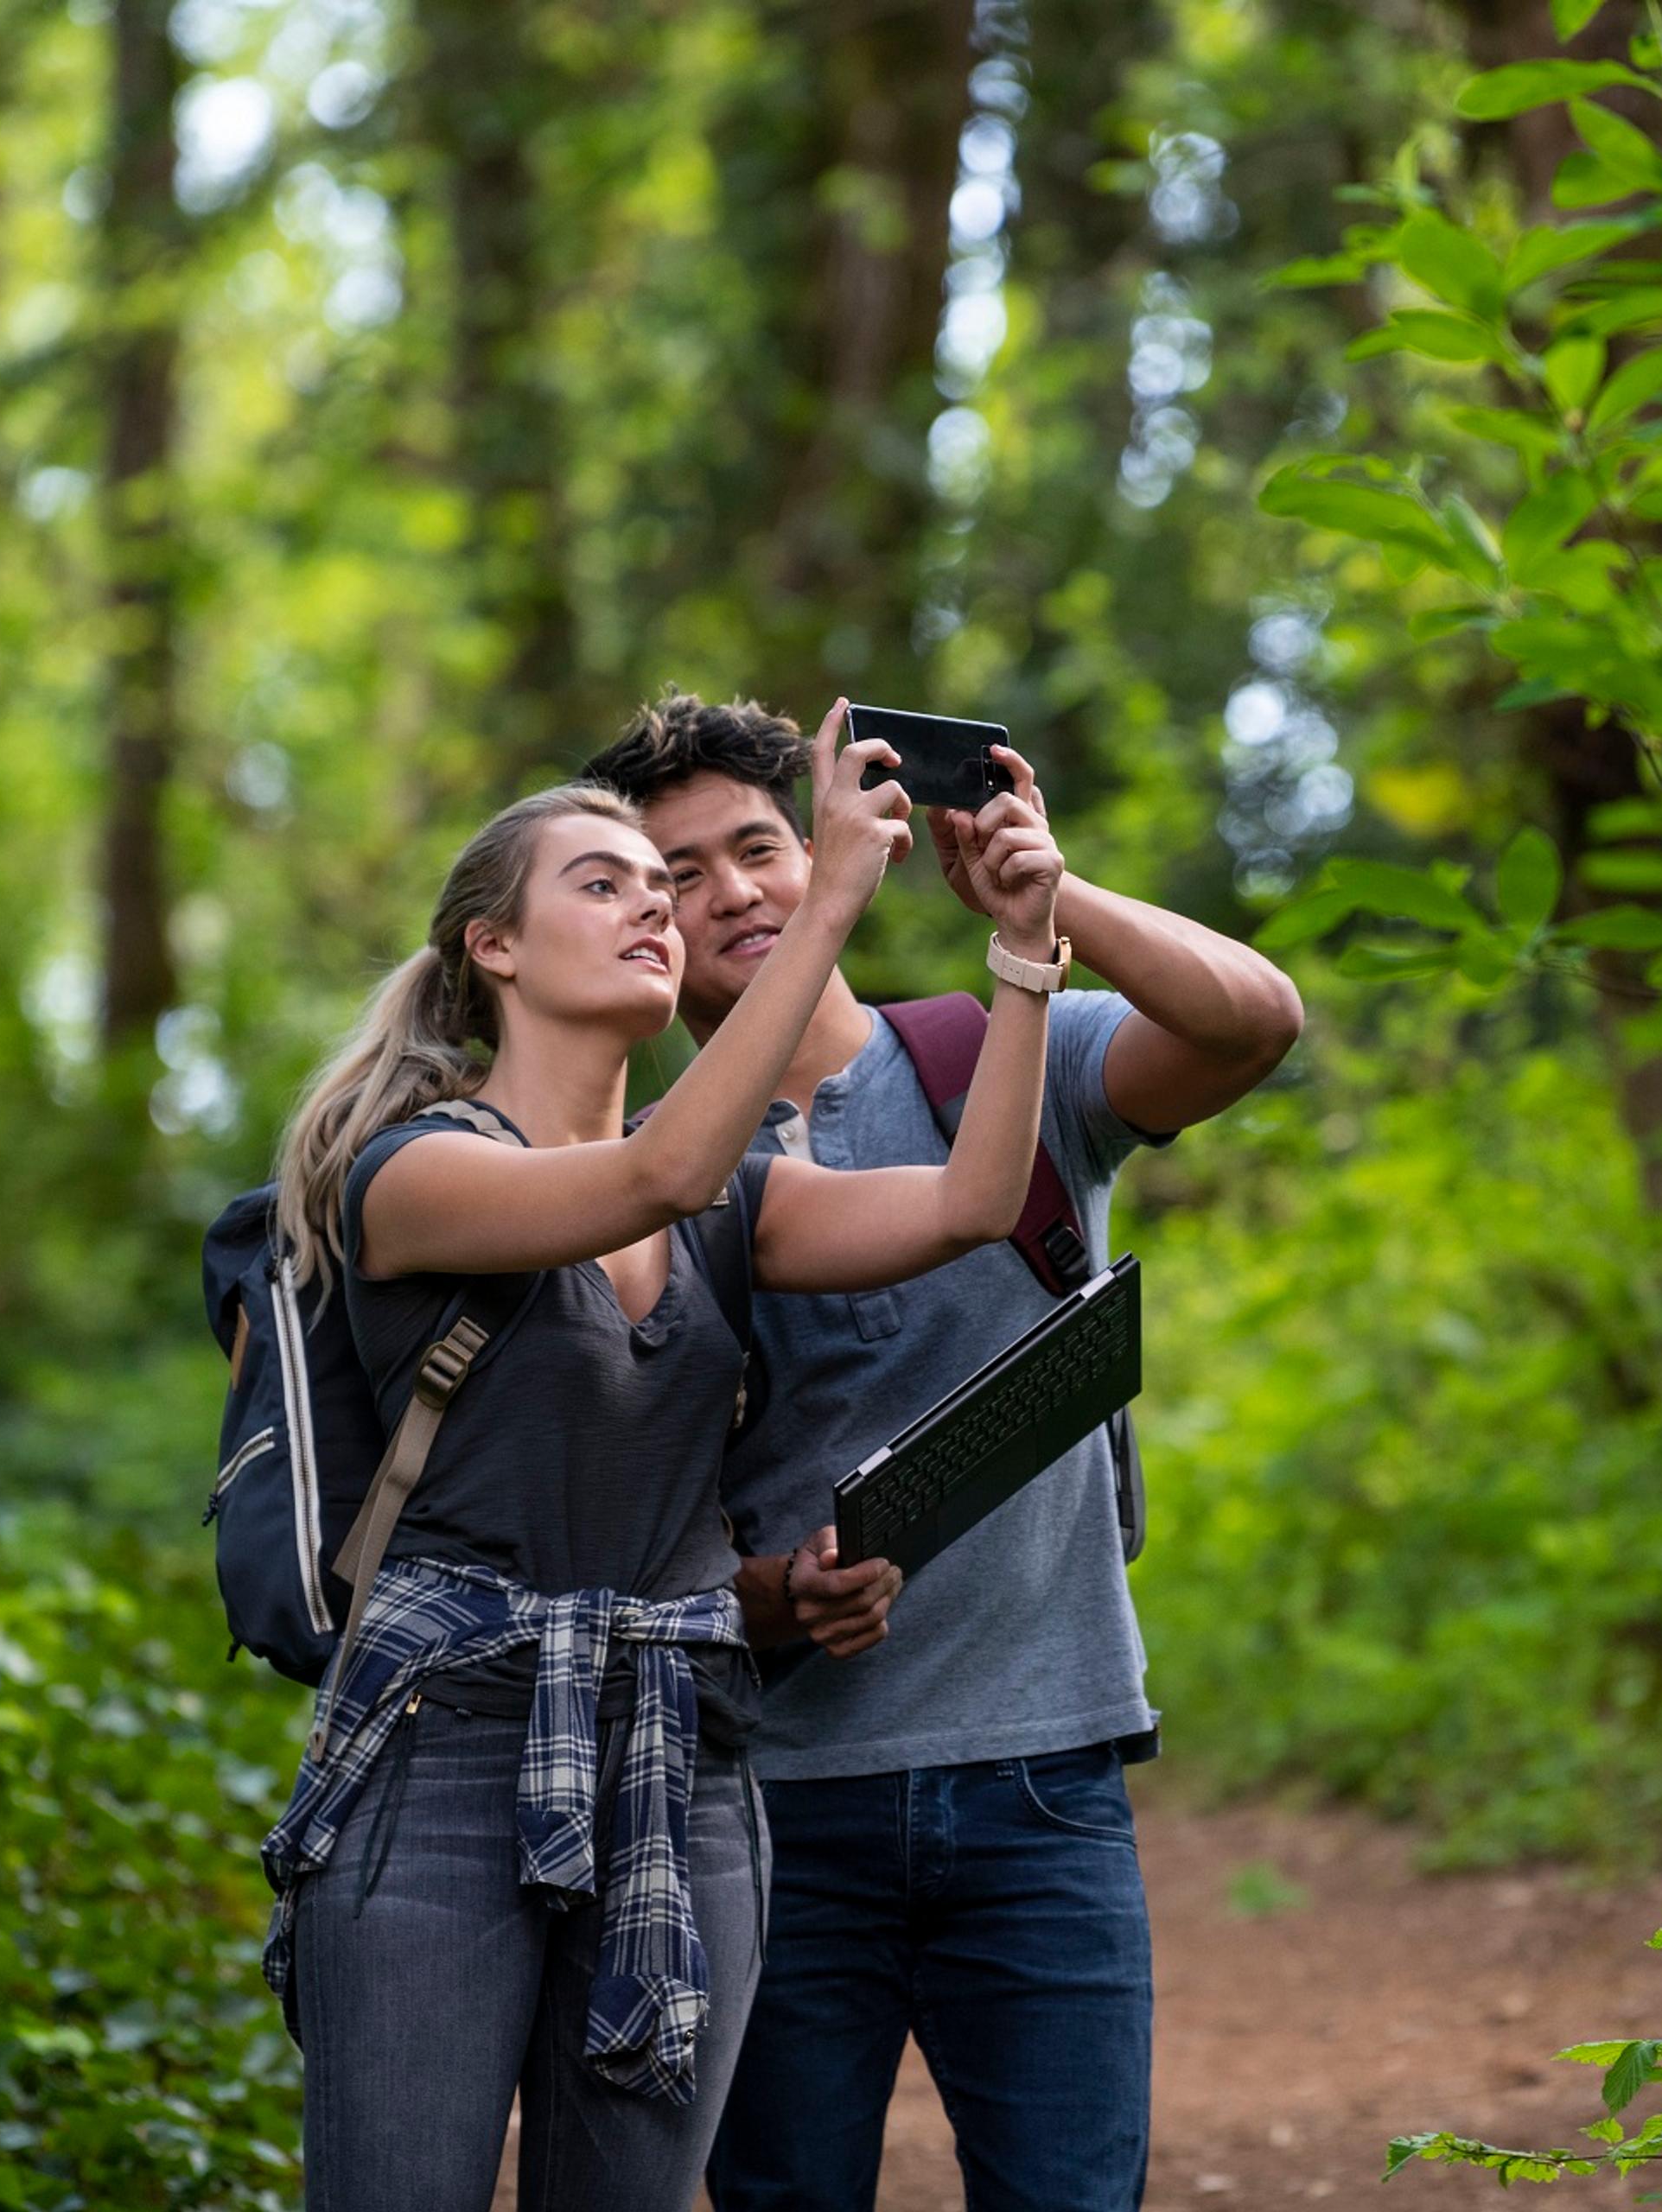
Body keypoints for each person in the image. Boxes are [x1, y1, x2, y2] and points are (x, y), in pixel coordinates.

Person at [258, 707, 1076, 2212]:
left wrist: (1022, 955)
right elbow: (653, 1169)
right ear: (494, 949)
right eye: (608, 881)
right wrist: (829, 896)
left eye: (665, 882)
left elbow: (975, 1199)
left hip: (678, 1758)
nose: (660, 903)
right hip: (444, 1760)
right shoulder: (416, 1174)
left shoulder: (733, 1208)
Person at [583, 693, 1305, 2212]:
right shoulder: (636, 1181)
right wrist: (770, 1598)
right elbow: (617, 1507)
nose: (735, 896)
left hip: (1043, 1779)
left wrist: (1051, 899)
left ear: (828, 852)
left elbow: (1254, 1022)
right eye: (679, 876)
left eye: (760, 849)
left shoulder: (1003, 1050)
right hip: (769, 1798)